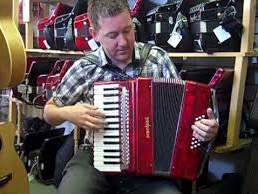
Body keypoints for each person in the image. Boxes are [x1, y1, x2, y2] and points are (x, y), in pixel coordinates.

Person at [43, 0, 219, 193]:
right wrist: (70, 112)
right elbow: (49, 112)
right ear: (95, 34)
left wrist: (205, 130)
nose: (123, 42)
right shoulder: (85, 68)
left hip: (151, 167)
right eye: (112, 35)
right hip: (95, 160)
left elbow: (185, 118)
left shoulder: (157, 60)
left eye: (127, 30)